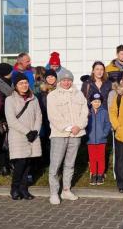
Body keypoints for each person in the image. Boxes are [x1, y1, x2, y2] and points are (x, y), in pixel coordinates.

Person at [47, 70, 88, 205]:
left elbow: (84, 112)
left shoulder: (79, 94)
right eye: (63, 80)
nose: (66, 82)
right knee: (55, 164)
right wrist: (68, 127)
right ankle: (54, 192)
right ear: (59, 81)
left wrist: (79, 126)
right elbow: (53, 115)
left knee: (70, 164)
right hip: (59, 134)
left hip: (76, 134)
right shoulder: (52, 96)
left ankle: (66, 190)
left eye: (69, 80)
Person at [5, 73, 42, 200]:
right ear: (15, 86)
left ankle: (23, 189)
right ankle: (14, 188)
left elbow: (39, 116)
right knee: (20, 163)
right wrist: (27, 132)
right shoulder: (10, 100)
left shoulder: (34, 98)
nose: (24, 85)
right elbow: (11, 120)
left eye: (26, 82)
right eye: (21, 83)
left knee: (28, 163)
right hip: (18, 135)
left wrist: (35, 131)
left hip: (32, 136)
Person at [0, 62, 14, 176]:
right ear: (6, 72)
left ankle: (9, 163)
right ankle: (4, 165)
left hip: (12, 115)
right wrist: (2, 119)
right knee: (2, 143)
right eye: (11, 70)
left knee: (10, 142)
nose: (12, 72)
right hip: (2, 117)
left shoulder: (9, 82)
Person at [86, 93, 111, 185]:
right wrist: (87, 134)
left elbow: (108, 124)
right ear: (91, 102)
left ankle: (100, 174)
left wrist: (104, 134)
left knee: (100, 158)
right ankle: (94, 174)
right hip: (90, 140)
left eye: (98, 101)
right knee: (92, 158)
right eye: (94, 101)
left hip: (101, 140)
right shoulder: (88, 112)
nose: (96, 103)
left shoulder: (104, 112)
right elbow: (84, 124)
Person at [37, 69, 57, 165]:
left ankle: (55, 160)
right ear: (45, 79)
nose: (50, 79)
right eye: (48, 77)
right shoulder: (41, 91)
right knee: (45, 140)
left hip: (56, 119)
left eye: (52, 76)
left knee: (55, 141)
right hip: (45, 118)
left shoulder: (59, 89)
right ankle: (45, 161)